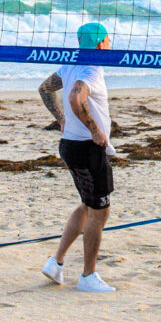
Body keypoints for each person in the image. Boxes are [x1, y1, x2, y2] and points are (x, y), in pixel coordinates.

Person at [38, 22, 119, 292]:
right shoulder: (91, 70)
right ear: (100, 44)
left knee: (87, 206)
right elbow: (75, 98)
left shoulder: (71, 64)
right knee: (100, 212)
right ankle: (88, 276)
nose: (110, 43)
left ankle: (55, 263)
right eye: (108, 40)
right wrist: (94, 130)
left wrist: (61, 119)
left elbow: (44, 89)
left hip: (70, 146)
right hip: (86, 149)